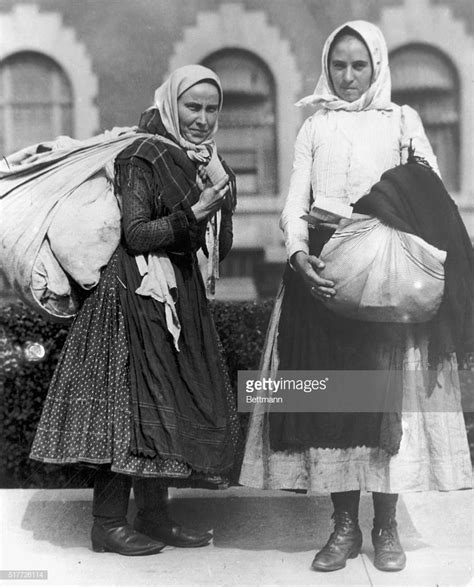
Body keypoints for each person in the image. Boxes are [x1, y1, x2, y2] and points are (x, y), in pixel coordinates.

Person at [239, 21, 472, 573]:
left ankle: (385, 526)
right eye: (339, 65)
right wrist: (299, 256)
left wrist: (375, 217)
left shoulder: (402, 121)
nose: (347, 77)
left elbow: (428, 193)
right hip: (322, 274)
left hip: (384, 276)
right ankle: (342, 526)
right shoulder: (315, 126)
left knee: (385, 403)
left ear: (377, 67)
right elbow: (296, 204)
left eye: (358, 65)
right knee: (331, 400)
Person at [30, 65, 240, 556]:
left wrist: (222, 202)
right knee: (122, 405)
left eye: (212, 109)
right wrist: (197, 212)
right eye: (193, 107)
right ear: (172, 105)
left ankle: (154, 515)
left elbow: (219, 250)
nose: (203, 119)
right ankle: (106, 524)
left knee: (166, 403)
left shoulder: (207, 163)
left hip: (178, 294)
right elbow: (136, 232)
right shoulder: (142, 153)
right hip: (132, 291)